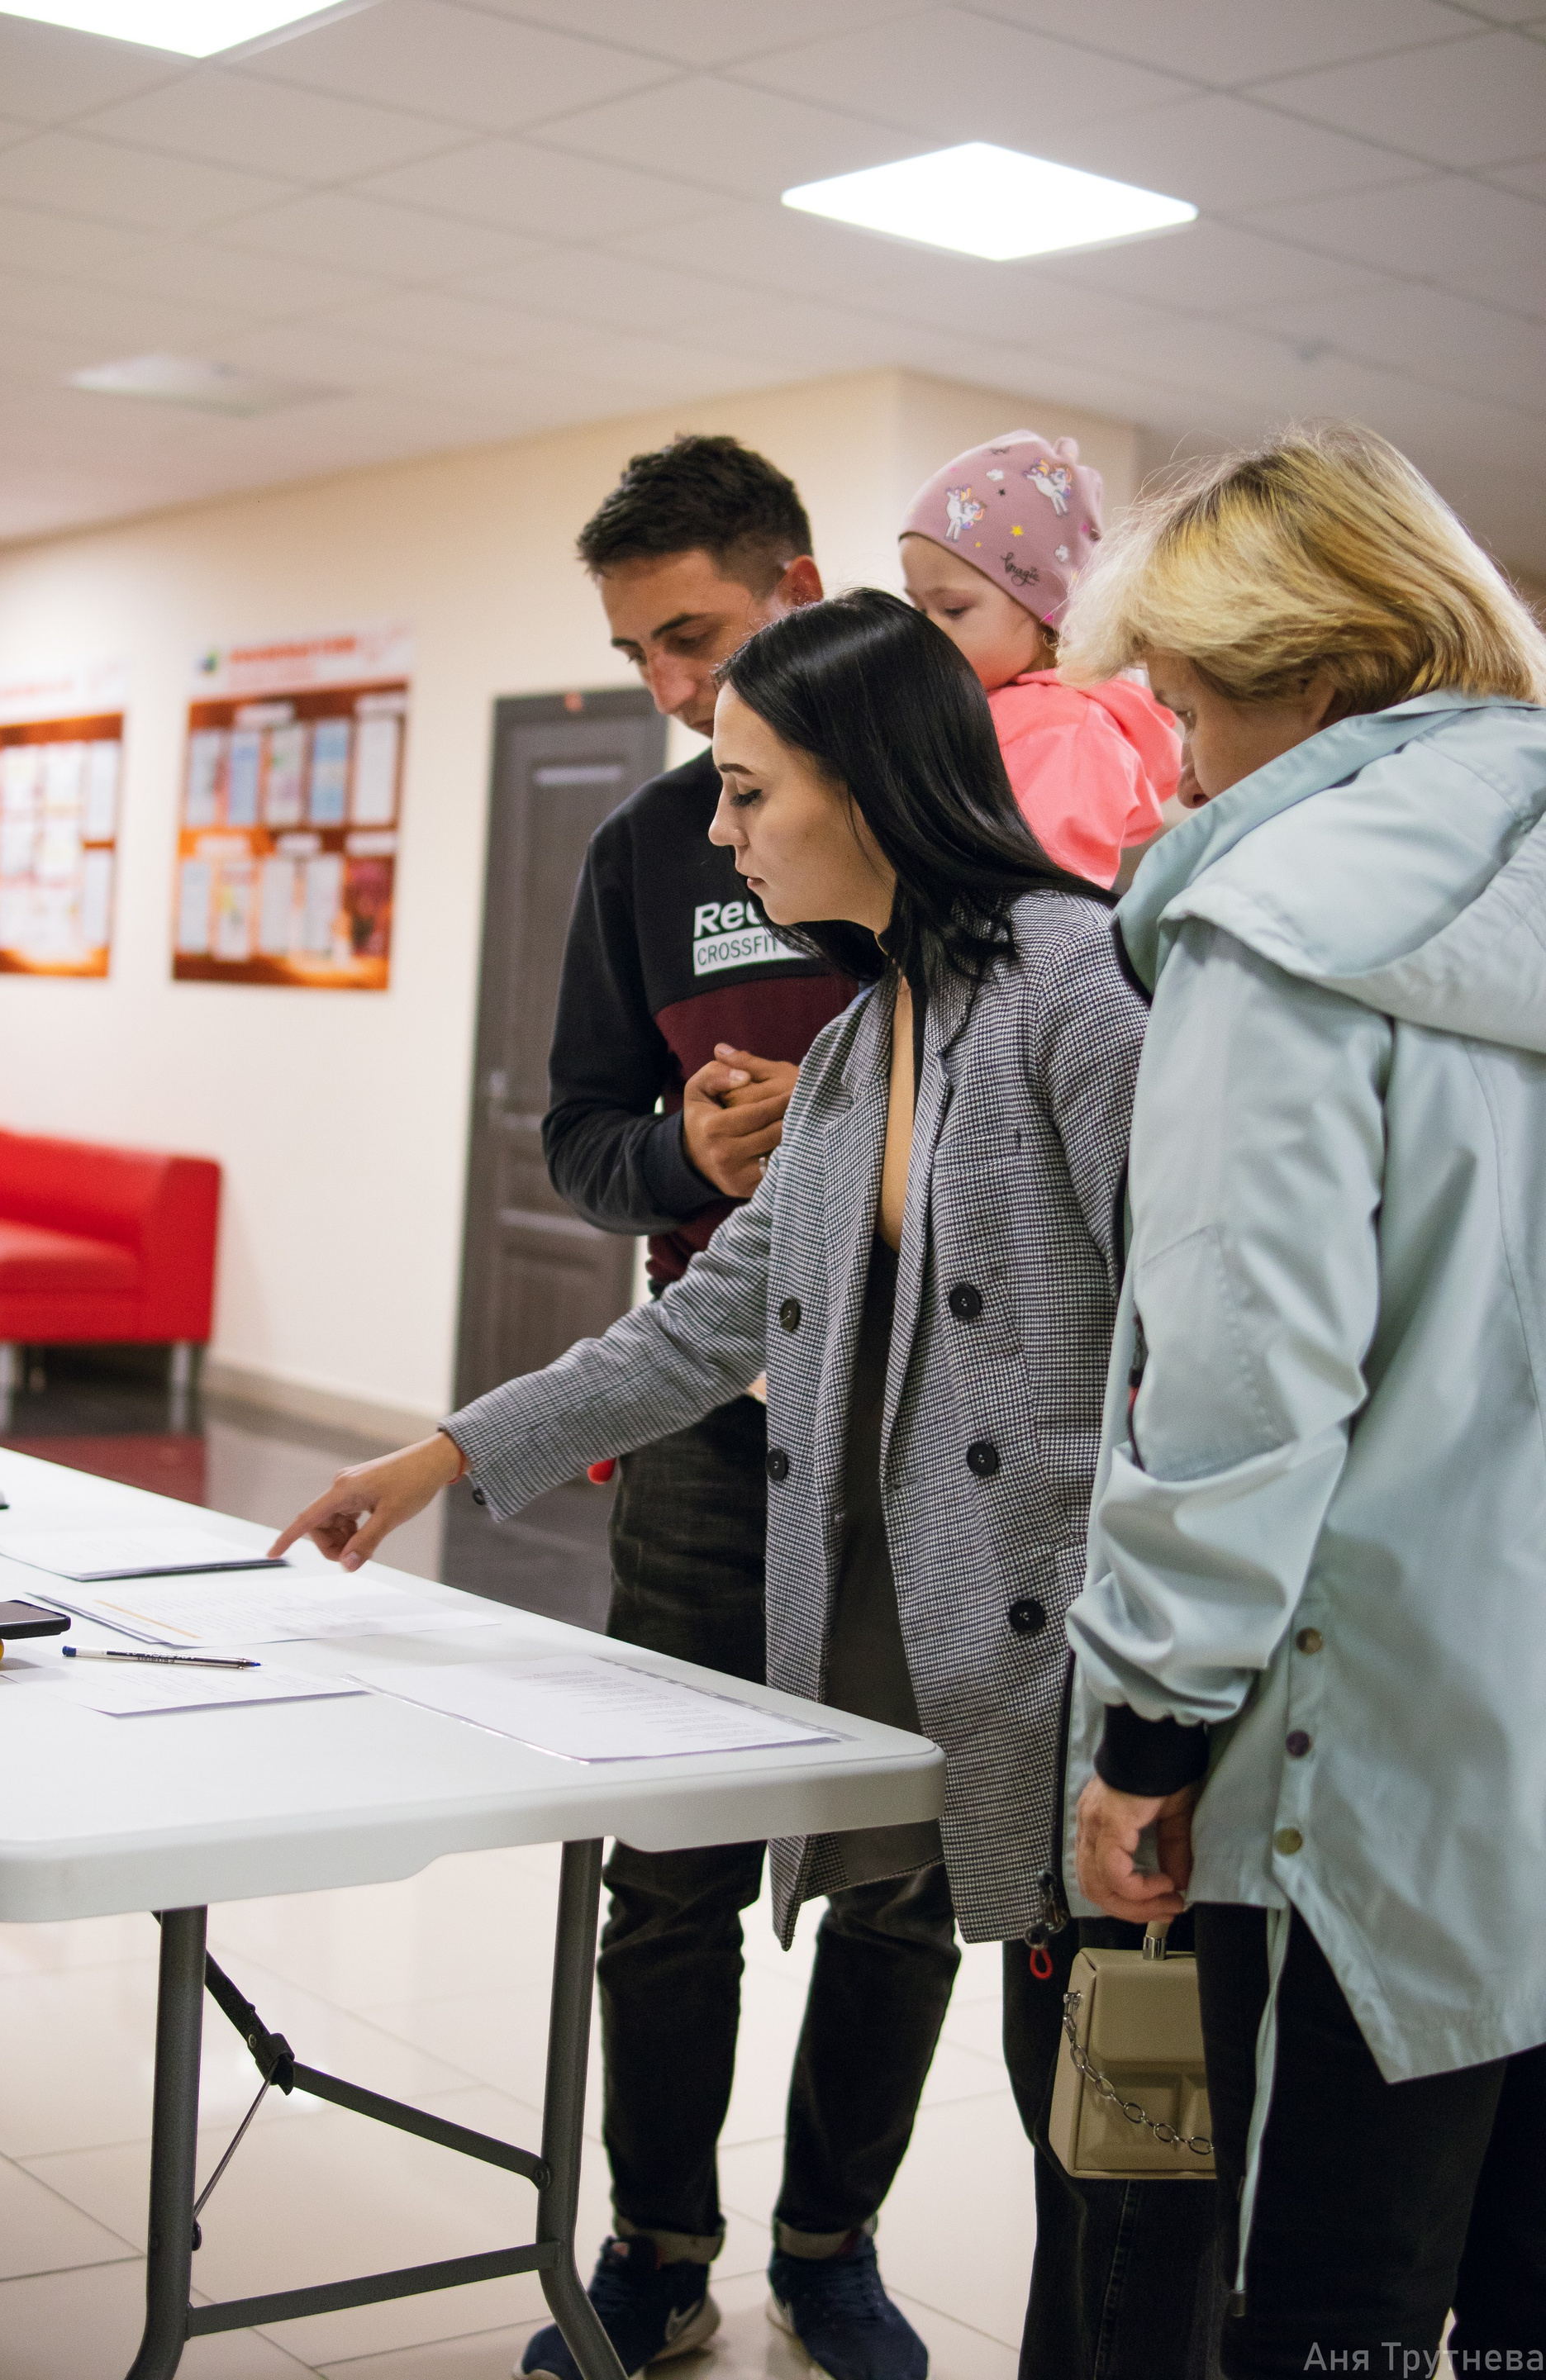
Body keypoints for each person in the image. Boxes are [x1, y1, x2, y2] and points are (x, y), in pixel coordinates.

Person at [273, 589, 1223, 2380]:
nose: (721, 832)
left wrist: (1165, 1708)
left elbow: (1198, 1348)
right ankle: (684, 2249)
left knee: (1125, 2165)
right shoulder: (872, 1035)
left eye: (748, 788)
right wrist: (442, 1456)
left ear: (864, 781)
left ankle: (846, 2252)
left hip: (1111, 1681)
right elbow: (715, 1322)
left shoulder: (1078, 982)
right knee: (1085, 2139)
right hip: (973, 1641)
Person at [1057, 422, 1546, 2376]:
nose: (1177, 771)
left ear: (1320, 679)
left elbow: (1243, 1375)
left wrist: (1148, 1730)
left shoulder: (1275, 925)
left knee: (1328, 2313)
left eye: (1185, 710)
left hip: (1359, 1767)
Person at [900, 429, 1182, 888]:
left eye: (953, 609)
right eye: (917, 608)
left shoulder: (1069, 731)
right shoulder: (971, 704)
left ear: (1042, 605)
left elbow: (1044, 898)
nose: (926, 630)